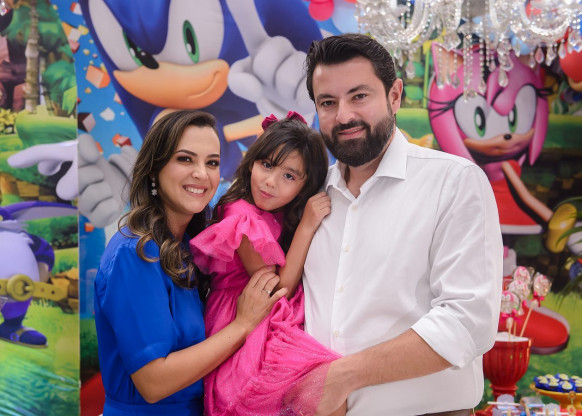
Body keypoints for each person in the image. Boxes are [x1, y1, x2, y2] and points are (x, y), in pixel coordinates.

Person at [301, 34, 504, 416]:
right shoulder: (310, 194)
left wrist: (344, 376)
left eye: (359, 96)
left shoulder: (453, 182)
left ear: (394, 96)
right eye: (328, 102)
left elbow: (467, 321)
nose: (343, 116)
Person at [93, 110, 286, 416]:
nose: (202, 174)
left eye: (212, 163)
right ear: (154, 168)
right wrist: (243, 324)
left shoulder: (188, 245)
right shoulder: (135, 253)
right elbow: (154, 382)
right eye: (185, 159)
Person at [190, 112, 343, 416]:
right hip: (245, 313)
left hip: (261, 311)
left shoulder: (273, 212)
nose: (270, 182)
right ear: (253, 161)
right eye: (267, 165)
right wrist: (307, 226)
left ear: (304, 186)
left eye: (289, 176)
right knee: (324, 386)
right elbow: (278, 288)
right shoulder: (241, 216)